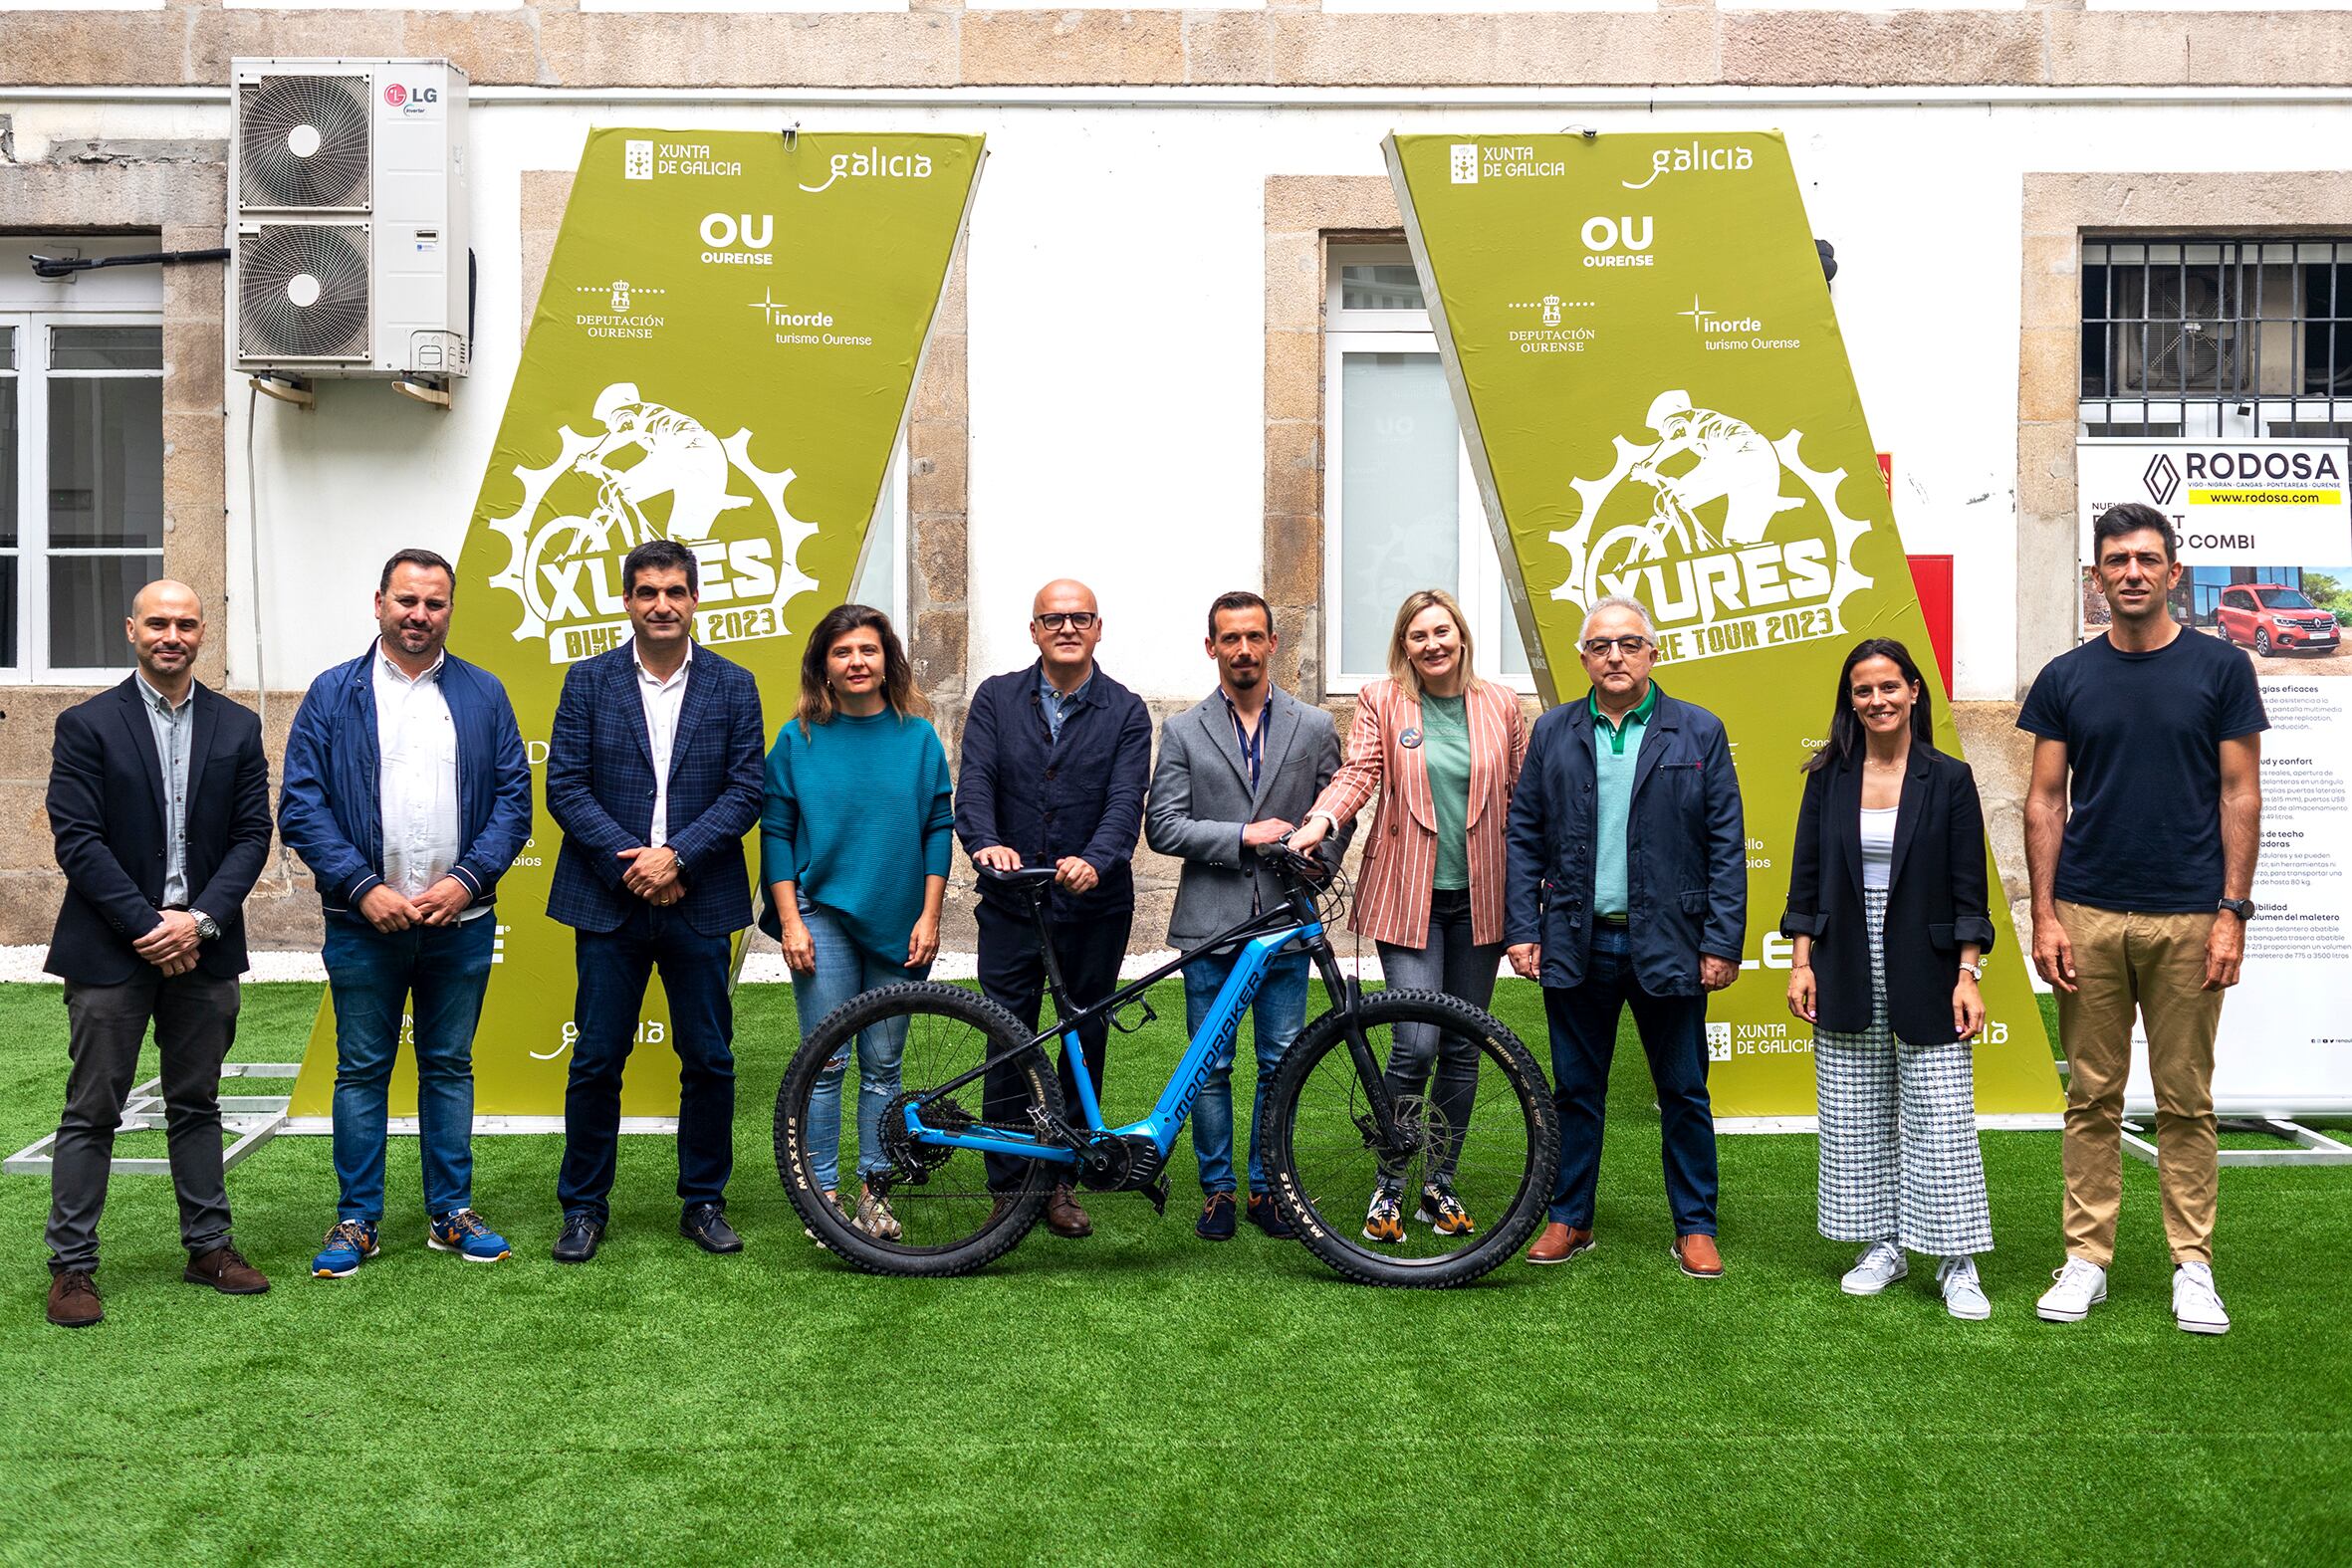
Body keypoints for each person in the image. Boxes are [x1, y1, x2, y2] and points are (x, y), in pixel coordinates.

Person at [2020, 502, 2264, 1335]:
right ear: (2097, 575)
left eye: (2146, 559)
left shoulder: (2222, 669)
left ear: (2171, 570)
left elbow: (2241, 792)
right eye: (2116, 559)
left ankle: (2191, 1264)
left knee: (2185, 1098)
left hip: (2193, 917)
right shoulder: (2066, 678)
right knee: (2091, 1095)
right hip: (2087, 913)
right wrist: (2045, 916)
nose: (2131, 571)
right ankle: (2086, 1258)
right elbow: (2045, 798)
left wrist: (2233, 911)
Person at [278, 549, 534, 1279]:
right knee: (361, 1070)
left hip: (462, 920)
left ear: (450, 608)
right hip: (365, 922)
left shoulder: (485, 694)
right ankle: (357, 1218)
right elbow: (300, 803)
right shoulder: (333, 694)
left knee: (449, 1065)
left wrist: (467, 879)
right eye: (407, 601)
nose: (420, 614)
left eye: (435, 603)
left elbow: (515, 799)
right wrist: (362, 886)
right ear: (380, 602)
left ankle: (451, 1212)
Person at [41, 580, 273, 1327]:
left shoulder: (237, 727)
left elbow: (250, 836)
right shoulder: (86, 725)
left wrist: (198, 921)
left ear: (204, 632)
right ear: (131, 630)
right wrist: (150, 924)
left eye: (186, 623)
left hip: (203, 949)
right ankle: (72, 1267)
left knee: (197, 1102)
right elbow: (77, 838)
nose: (171, 634)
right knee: (92, 1110)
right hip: (111, 948)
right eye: (158, 623)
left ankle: (209, 1247)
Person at [1506, 595, 1745, 1277]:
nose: (1615, 655)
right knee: (1576, 1090)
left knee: (1683, 1090)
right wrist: (1524, 928)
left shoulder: (1698, 731)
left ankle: (1695, 1226)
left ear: (1653, 653)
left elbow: (1726, 842)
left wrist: (1721, 941)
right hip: (1576, 942)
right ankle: (1570, 1218)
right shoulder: (1553, 732)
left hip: (1669, 941)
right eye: (1601, 645)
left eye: (1629, 643)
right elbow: (1523, 836)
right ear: (1583, 658)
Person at [545, 539, 765, 1263]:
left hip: (700, 899)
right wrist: (637, 864)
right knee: (596, 1059)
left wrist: (679, 857)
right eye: (647, 591)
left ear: (697, 598)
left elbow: (746, 790)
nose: (662, 604)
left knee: (709, 1057)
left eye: (675, 590)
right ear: (627, 600)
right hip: (611, 901)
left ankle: (703, 1201)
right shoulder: (587, 681)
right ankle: (583, 1207)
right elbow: (565, 786)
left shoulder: (735, 685)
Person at [1290, 588, 1526, 1243]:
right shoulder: (1382, 700)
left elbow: (1521, 797)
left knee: (1462, 1046)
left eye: (1442, 631)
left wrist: (1538, 890)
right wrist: (1320, 820)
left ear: (1461, 635)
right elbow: (1360, 771)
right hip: (1407, 895)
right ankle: (1390, 1183)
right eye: (1418, 635)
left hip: (1480, 897)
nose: (1433, 644)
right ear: (1404, 644)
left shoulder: (1501, 704)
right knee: (1414, 1040)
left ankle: (1438, 1185)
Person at [1781, 638, 1998, 1320]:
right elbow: (1807, 877)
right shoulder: (1829, 776)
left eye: (1888, 687)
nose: (1876, 700)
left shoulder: (1950, 777)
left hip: (1929, 961)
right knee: (1853, 1110)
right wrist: (1801, 960)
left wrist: (1968, 973)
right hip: (1845, 951)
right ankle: (1884, 1244)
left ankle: (1955, 1258)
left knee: (1940, 1113)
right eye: (1862, 690)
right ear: (1851, 701)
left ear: (1913, 691)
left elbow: (1970, 889)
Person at [1145, 591, 1349, 1241]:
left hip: (1286, 925)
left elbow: (1336, 811)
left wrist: (1318, 859)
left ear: (1273, 643)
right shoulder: (1182, 729)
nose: (1242, 649)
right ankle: (1218, 1191)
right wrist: (1243, 835)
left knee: (1280, 1060)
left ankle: (1266, 1188)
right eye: (1228, 638)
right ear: (1212, 647)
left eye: (1253, 636)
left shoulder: (1314, 725)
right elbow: (1163, 826)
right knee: (1210, 1065)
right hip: (1210, 923)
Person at [956, 578, 1151, 1239]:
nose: (1066, 627)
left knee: (1081, 1037)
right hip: (1012, 903)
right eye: (1052, 618)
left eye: (1079, 617)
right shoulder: (994, 698)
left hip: (1093, 907)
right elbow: (975, 784)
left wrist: (1096, 859)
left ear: (1098, 628)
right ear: (1034, 630)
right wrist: (986, 845)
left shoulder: (1126, 710)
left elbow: (1127, 802)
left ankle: (1061, 1178)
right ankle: (1009, 1186)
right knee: (1009, 1036)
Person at [762, 604, 953, 1240]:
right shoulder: (798, 739)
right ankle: (823, 1196)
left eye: (867, 651)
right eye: (842, 653)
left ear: (886, 659)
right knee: (826, 1062)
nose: (856, 663)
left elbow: (937, 829)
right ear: (824, 665)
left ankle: (876, 1192)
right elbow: (778, 833)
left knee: (884, 1065)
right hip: (823, 916)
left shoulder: (918, 737)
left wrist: (931, 915)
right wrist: (790, 921)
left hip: (901, 922)